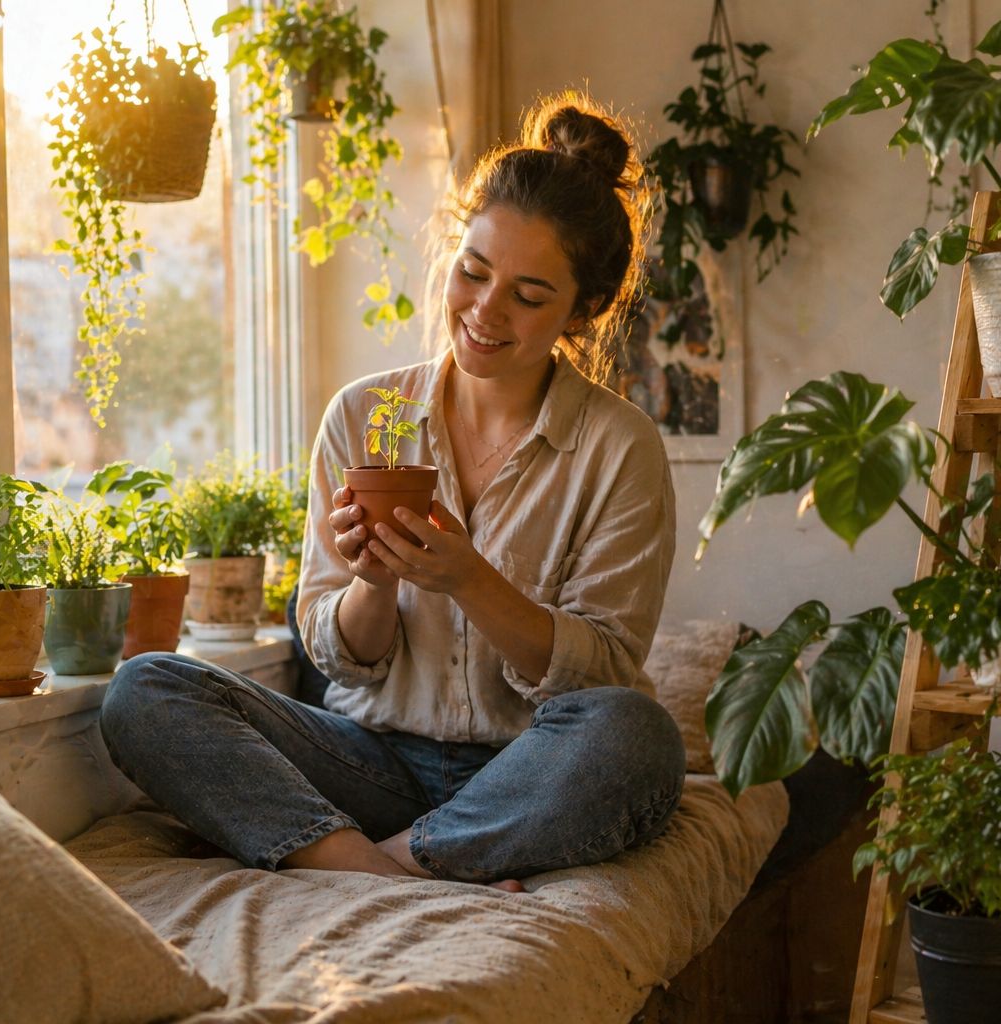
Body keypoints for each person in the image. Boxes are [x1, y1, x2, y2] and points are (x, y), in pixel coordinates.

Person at [99, 94, 686, 891]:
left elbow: (604, 673)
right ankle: (387, 863)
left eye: (529, 294)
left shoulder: (620, 448)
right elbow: (339, 657)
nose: (484, 310)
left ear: (584, 307)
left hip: (529, 766)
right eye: (472, 272)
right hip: (367, 761)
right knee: (145, 690)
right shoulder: (363, 416)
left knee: (637, 736)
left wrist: (467, 579)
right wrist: (372, 579)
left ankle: (393, 861)